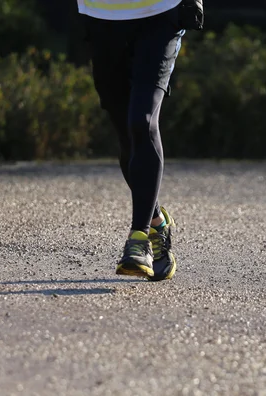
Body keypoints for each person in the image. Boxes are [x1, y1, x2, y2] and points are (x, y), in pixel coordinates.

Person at [77, 0, 203, 281]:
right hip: (101, 15)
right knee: (127, 138)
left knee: (141, 122)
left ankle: (139, 240)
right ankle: (157, 220)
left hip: (160, 13)